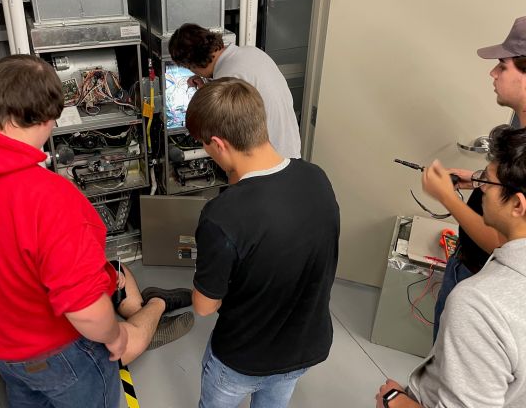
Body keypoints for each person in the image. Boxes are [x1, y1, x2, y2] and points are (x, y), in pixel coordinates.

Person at [0, 54, 192, 407]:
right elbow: (86, 312)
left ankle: (149, 305)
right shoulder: (51, 199)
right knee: (124, 330)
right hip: (57, 353)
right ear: (48, 119)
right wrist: (115, 335)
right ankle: (158, 305)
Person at [185, 77, 339, 408]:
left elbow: (203, 306)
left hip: (242, 359)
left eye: (204, 145)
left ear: (218, 143)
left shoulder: (222, 216)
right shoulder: (316, 178)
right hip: (303, 349)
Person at [376, 124, 526, 408]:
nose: (480, 189)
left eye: (488, 183)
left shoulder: (478, 305)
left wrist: (395, 401)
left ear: (518, 205)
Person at [421, 16, 526, 341]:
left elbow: (504, 241)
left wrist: (447, 197)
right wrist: (477, 179)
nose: (492, 73)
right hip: (467, 262)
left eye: (502, 65)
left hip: (479, 271)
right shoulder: (517, 130)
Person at [169, 23, 302, 162]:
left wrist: (205, 96)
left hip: (268, 164)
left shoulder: (227, 76)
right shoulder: (251, 52)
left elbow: (222, 131)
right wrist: (207, 87)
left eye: (189, 68)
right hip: (290, 150)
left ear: (193, 63)